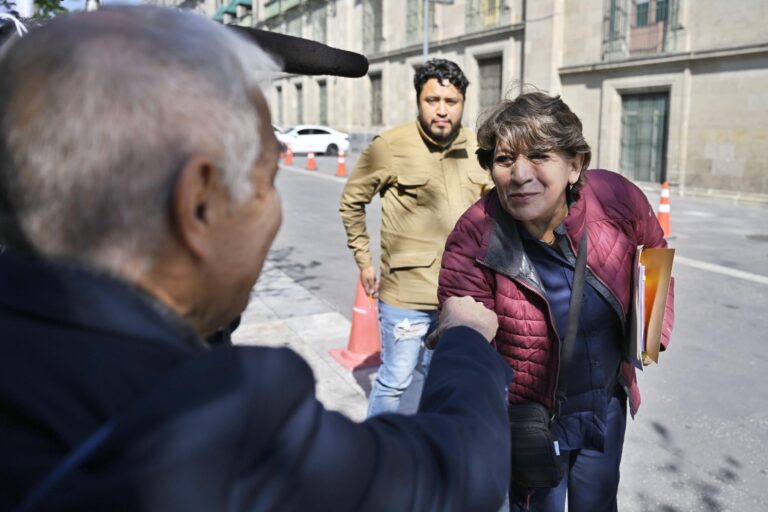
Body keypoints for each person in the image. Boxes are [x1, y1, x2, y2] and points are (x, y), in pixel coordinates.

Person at [0, 8, 515, 511]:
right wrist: (468, 343)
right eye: (268, 178)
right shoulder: (224, 427)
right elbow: (455, 473)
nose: (273, 211)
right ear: (198, 203)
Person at [438, 92, 675, 511]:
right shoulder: (475, 233)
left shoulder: (615, 198)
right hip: (530, 422)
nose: (519, 174)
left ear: (575, 165)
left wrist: (651, 331)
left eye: (540, 155)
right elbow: (464, 337)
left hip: (604, 405)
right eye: (505, 158)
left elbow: (653, 249)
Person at [340, 58, 493, 417]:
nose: (441, 110)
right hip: (405, 298)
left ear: (463, 103)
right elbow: (351, 202)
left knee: (445, 381)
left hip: (462, 297)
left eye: (450, 102)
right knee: (394, 380)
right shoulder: (389, 146)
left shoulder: (479, 149)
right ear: (418, 101)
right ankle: (378, 455)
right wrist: (364, 260)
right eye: (432, 100)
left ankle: (427, 451)